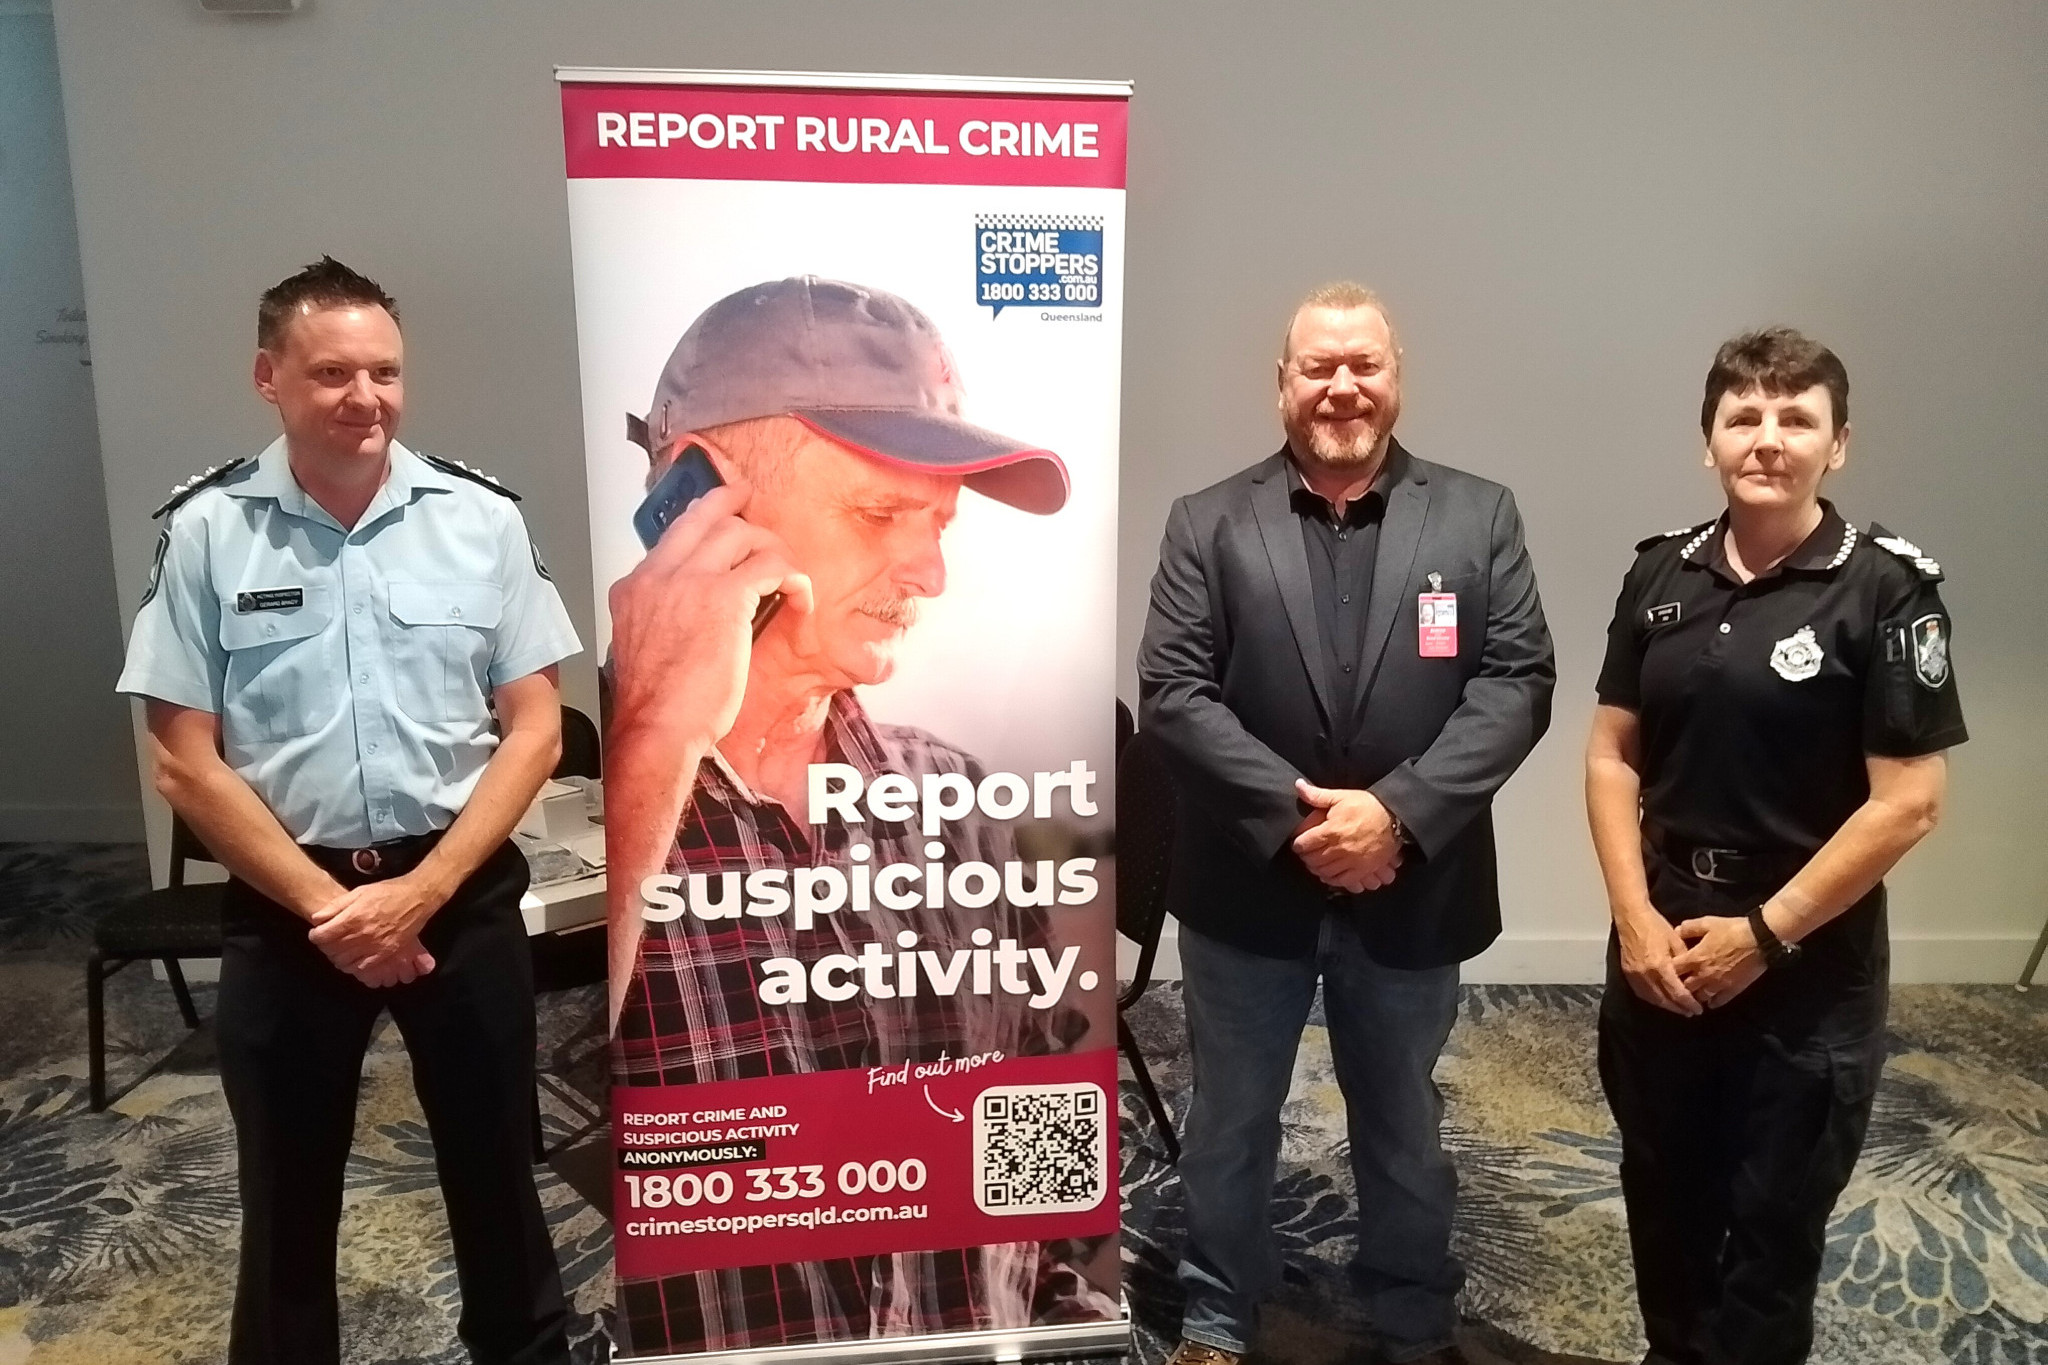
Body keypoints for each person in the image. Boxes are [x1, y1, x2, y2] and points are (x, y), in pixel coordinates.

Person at [602, 276, 1112, 1354]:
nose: (929, 572)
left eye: (939, 524)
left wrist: (1067, 1320)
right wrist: (649, 744)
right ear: (696, 497)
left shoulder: (959, 797)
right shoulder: (573, 809)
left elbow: (1029, 1118)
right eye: (883, 512)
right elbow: (513, 1137)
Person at [115, 257, 581, 1365]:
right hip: (290, 907)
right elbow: (184, 764)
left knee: (494, 1165)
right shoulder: (209, 532)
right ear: (269, 376)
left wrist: (418, 895)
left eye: (384, 371)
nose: (364, 396)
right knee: (287, 1184)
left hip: (456, 896)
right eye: (332, 373)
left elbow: (537, 729)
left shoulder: (481, 520)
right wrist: (339, 911)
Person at [1138, 281, 1556, 1365]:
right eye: (1317, 365)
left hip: (1410, 886)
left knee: (1402, 1125)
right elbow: (1175, 692)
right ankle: (1221, 1311)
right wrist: (1302, 822)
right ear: (1281, 383)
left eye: (1362, 364)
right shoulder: (1207, 521)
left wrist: (1395, 819)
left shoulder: (1478, 514)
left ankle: (1406, 1313)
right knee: (1229, 1124)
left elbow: (1515, 684)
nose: (1340, 385)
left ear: (1394, 376)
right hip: (1246, 892)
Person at [1587, 327, 1965, 1365]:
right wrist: (1631, 920)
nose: (1766, 438)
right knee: (1660, 1201)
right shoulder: (1657, 575)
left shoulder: (1884, 591)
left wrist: (1762, 933)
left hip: (1805, 964)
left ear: (1835, 443)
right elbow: (1611, 758)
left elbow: (1908, 802)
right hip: (1658, 946)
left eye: (1794, 418)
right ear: (1706, 439)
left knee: (1769, 1229)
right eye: (1741, 416)